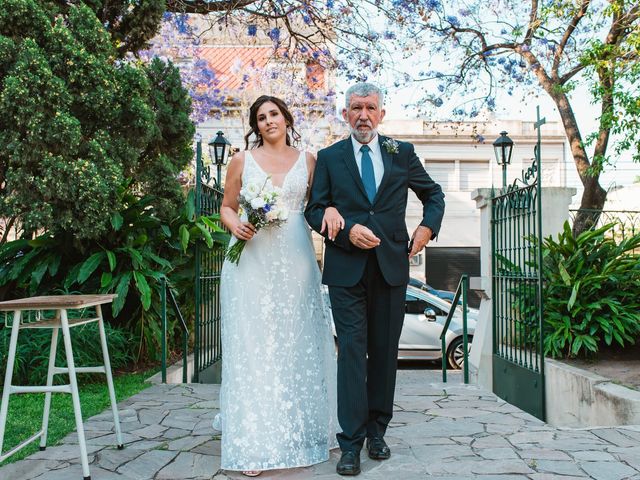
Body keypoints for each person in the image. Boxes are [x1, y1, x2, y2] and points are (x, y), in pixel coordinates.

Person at [305, 83, 445, 476]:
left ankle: (377, 431)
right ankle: (350, 444)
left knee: (384, 352)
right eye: (355, 108)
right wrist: (343, 227)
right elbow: (314, 211)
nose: (363, 115)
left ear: (381, 114)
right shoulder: (330, 158)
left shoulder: (402, 153)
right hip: (346, 269)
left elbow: (433, 195)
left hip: (391, 266)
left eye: (370, 108)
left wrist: (426, 230)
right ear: (345, 114)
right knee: (351, 351)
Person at [217, 95, 341, 477]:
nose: (268, 121)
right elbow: (227, 205)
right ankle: (254, 440)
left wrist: (333, 210)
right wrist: (234, 224)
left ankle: (306, 427)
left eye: (274, 114)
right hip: (250, 259)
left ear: (286, 118)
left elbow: (320, 205)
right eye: (261, 117)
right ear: (256, 126)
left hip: (296, 259)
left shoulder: (309, 161)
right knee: (254, 344)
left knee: (298, 341)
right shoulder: (241, 160)